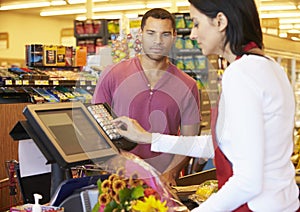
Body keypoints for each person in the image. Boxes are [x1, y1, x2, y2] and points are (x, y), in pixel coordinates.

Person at [112, 0, 300, 211]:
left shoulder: (241, 74)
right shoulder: (268, 66)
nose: (192, 34)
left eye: (196, 23)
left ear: (220, 21)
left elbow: (248, 182)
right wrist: (147, 138)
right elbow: (224, 146)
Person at [92, 8, 201, 185]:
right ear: (140, 34)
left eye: (165, 34)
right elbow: (96, 130)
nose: (158, 41)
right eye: (151, 33)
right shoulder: (112, 74)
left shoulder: (188, 85)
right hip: (119, 179)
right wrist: (115, 169)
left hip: (164, 181)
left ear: (174, 36)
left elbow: (189, 142)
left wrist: (169, 174)